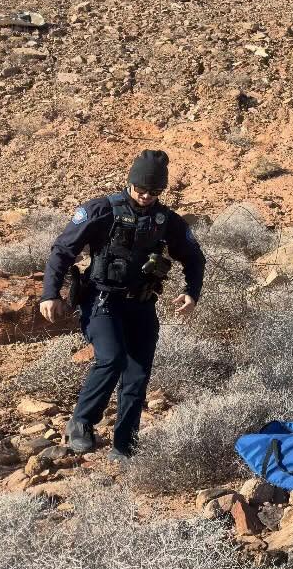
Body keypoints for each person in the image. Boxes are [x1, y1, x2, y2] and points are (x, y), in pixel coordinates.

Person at [39, 150, 205, 458]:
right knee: (112, 358)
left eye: (154, 192)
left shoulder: (166, 221)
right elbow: (62, 250)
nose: (145, 196)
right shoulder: (100, 210)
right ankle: (81, 423)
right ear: (129, 182)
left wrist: (191, 292)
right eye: (140, 189)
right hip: (102, 301)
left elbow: (194, 257)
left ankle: (124, 445)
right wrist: (50, 294)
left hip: (142, 306)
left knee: (137, 375)